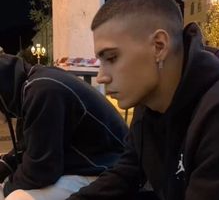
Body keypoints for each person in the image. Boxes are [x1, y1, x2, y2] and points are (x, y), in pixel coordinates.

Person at [67, 0, 219, 200]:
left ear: (159, 46)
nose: (101, 76)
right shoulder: (147, 104)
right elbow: (125, 173)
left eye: (111, 58)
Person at [0, 53, 128, 200]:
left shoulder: (43, 91)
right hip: (87, 164)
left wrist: (6, 189)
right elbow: (31, 146)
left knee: (17, 198)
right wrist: (5, 165)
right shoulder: (33, 86)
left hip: (106, 170)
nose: (101, 77)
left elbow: (41, 169)